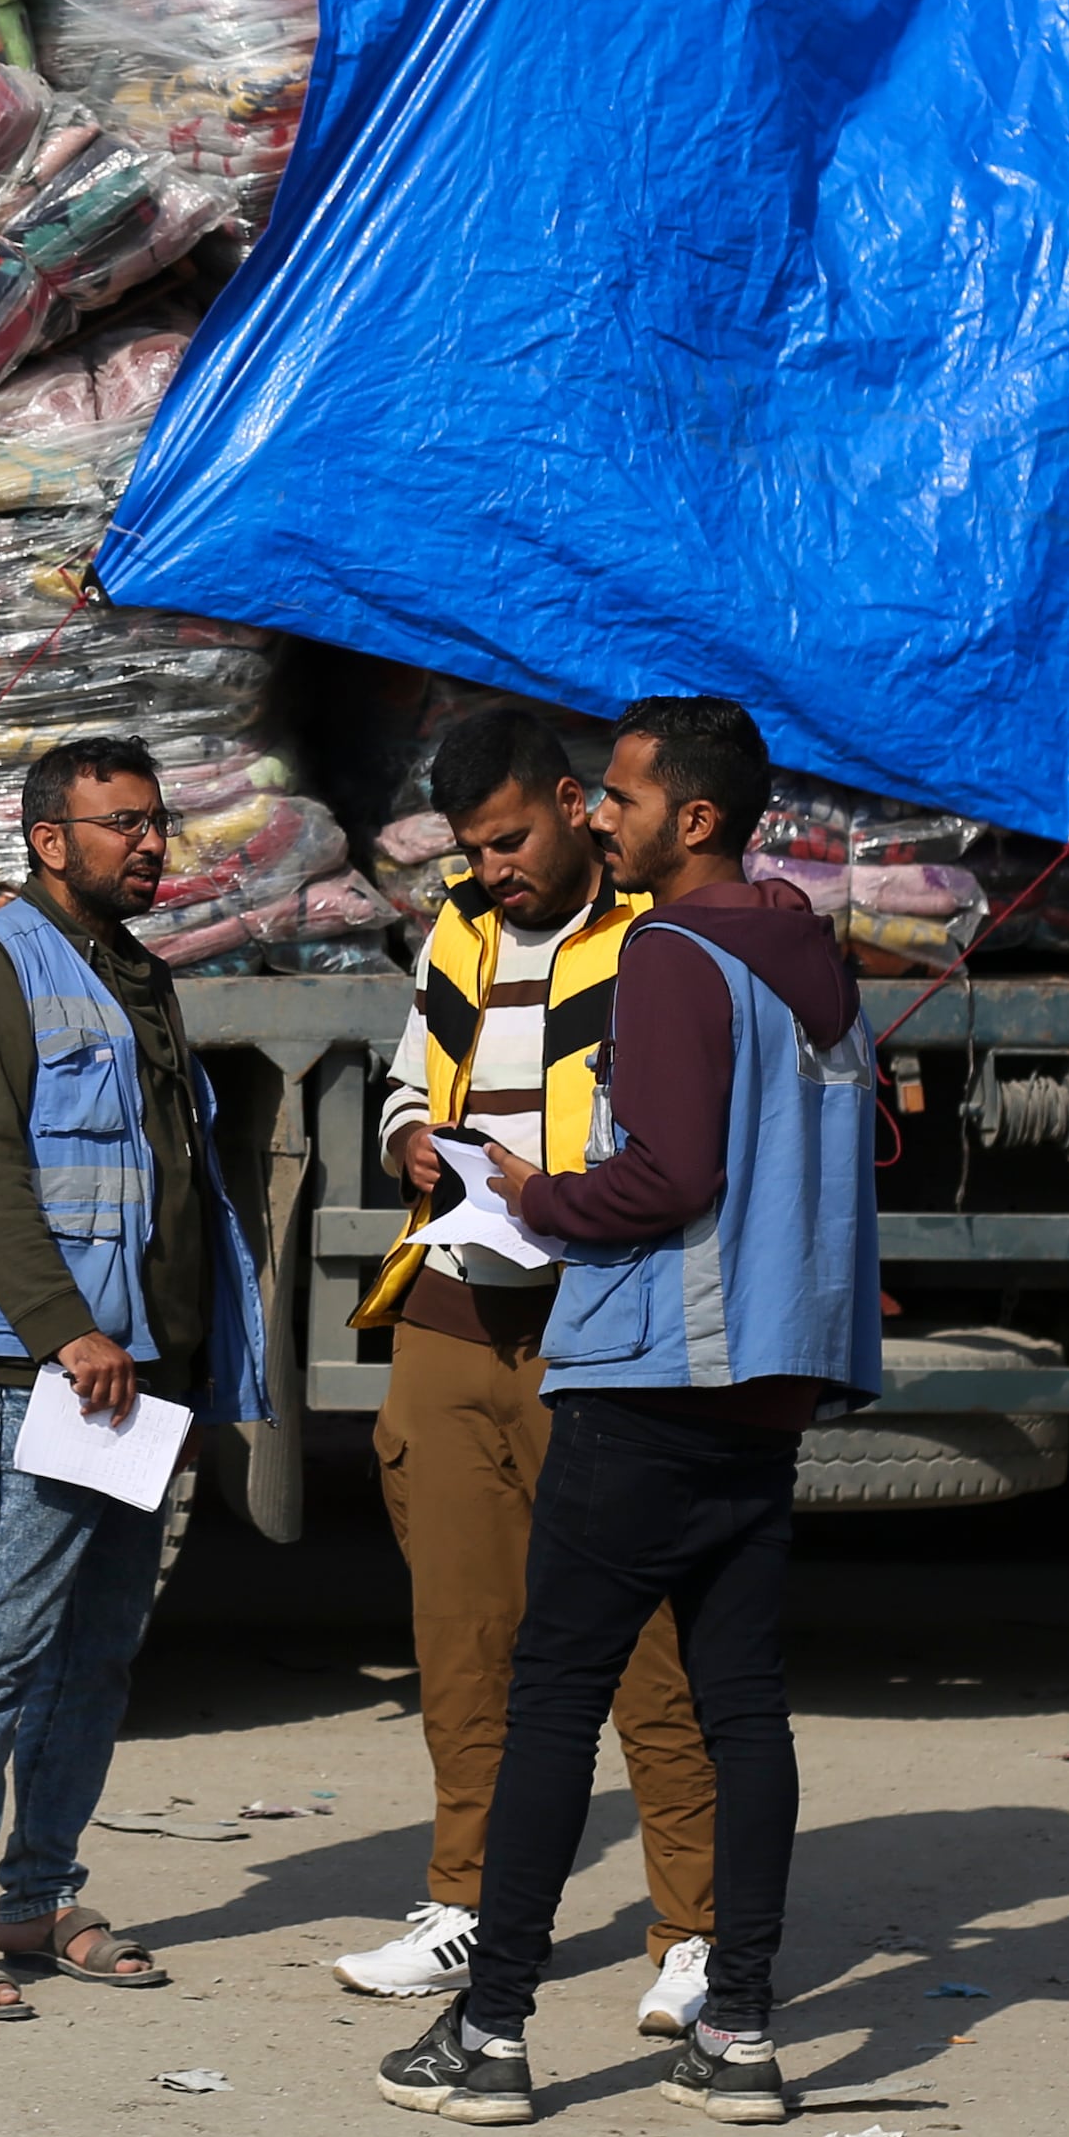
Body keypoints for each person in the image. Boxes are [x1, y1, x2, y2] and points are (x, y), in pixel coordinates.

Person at [376, 695, 879, 2129]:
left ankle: (491, 2032)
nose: (605, 812)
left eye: (627, 795)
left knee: (552, 1702)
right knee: (746, 1708)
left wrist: (536, 1194)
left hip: (654, 1371)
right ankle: (740, 2032)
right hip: (769, 1387)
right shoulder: (811, 958)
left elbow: (663, 1177)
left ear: (695, 817)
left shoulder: (672, 950)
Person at [326, 702, 722, 2041]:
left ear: (573, 803)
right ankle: (466, 1902)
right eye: (475, 849)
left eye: (509, 840)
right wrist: (411, 1145)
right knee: (461, 1629)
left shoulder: (650, 939)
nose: (493, 866)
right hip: (447, 1309)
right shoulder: (458, 932)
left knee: (639, 1643)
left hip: (593, 1321)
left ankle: (694, 1928)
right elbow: (403, 1072)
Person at [0, 732, 265, 2023]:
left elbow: (171, 1185)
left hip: (139, 1373)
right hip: (40, 1368)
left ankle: (38, 1893)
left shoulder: (138, 975)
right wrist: (64, 1329)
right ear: (50, 837)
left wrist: (195, 1376)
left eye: (157, 821)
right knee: (2, 1633)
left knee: (99, 1647)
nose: (152, 843)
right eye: (122, 823)